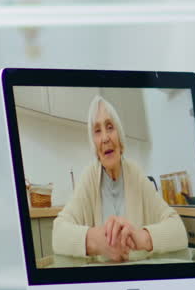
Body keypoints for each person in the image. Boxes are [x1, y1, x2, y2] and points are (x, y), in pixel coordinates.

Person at [52, 95, 188, 263]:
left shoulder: (136, 174)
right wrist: (97, 242)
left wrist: (141, 238)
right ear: (94, 145)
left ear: (120, 136)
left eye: (110, 127)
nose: (105, 138)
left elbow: (179, 230)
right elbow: (58, 234)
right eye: (97, 131)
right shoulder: (89, 177)